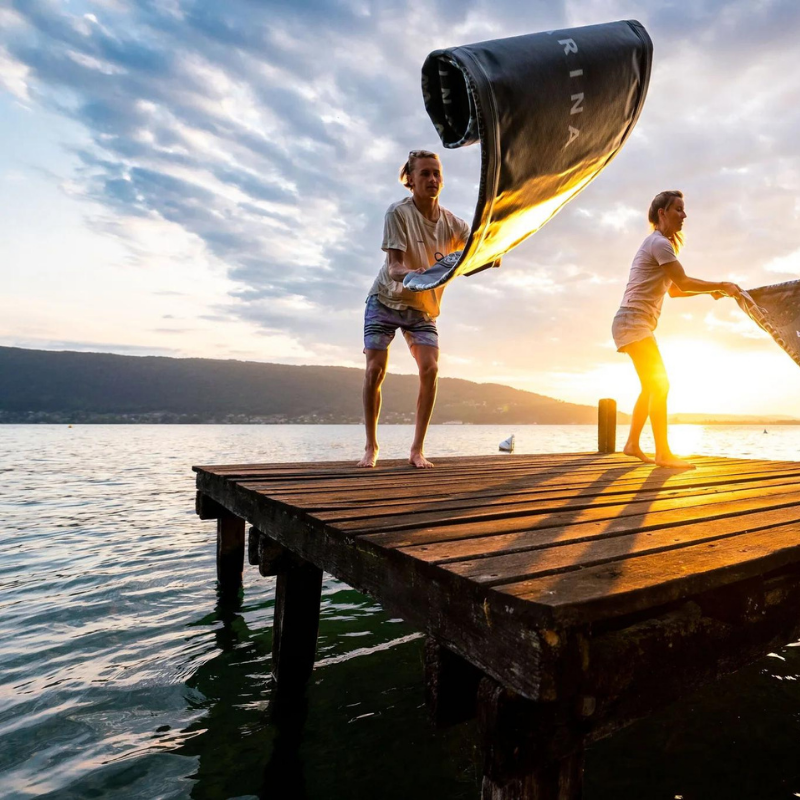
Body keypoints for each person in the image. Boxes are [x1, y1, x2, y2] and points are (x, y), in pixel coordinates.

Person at [612, 190, 742, 469]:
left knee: (651, 385)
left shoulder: (657, 244)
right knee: (661, 384)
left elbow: (675, 291)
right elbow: (682, 281)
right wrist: (721, 284)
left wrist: (711, 293)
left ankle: (633, 444)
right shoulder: (659, 243)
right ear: (662, 213)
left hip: (634, 321)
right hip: (633, 320)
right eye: (678, 209)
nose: (684, 215)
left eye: (684, 210)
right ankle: (663, 453)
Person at [357, 150, 469, 469]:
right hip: (386, 299)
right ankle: (371, 447)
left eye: (437, 173)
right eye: (425, 174)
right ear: (410, 179)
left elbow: (476, 248)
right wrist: (409, 275)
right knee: (374, 371)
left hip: (422, 308)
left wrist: (491, 253)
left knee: (430, 369)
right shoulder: (398, 213)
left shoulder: (452, 223)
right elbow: (393, 266)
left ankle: (417, 450)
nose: (432, 179)